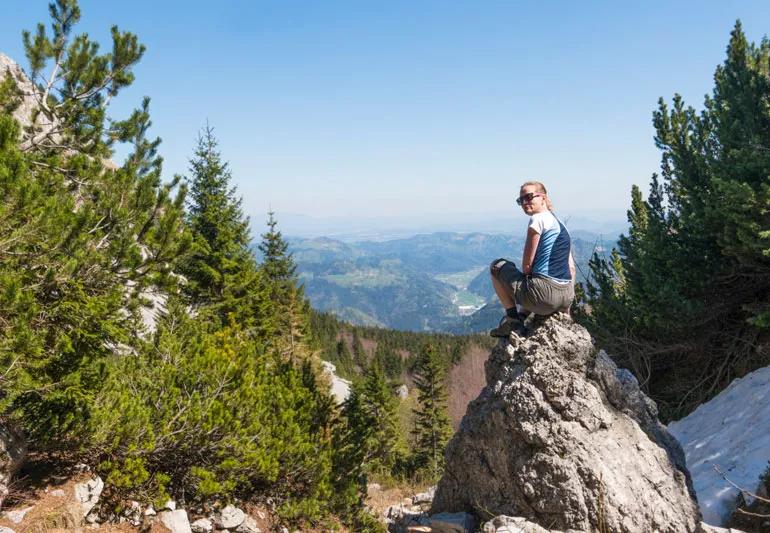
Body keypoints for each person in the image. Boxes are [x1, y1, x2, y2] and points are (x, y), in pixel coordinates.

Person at [489, 181, 575, 337]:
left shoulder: (538, 219)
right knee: (533, 282)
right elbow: (571, 269)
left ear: (543, 197)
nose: (524, 202)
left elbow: (527, 266)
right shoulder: (562, 225)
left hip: (544, 297)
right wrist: (567, 305)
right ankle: (523, 315)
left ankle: (513, 320)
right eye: (520, 200)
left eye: (528, 197)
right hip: (566, 297)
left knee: (497, 266)